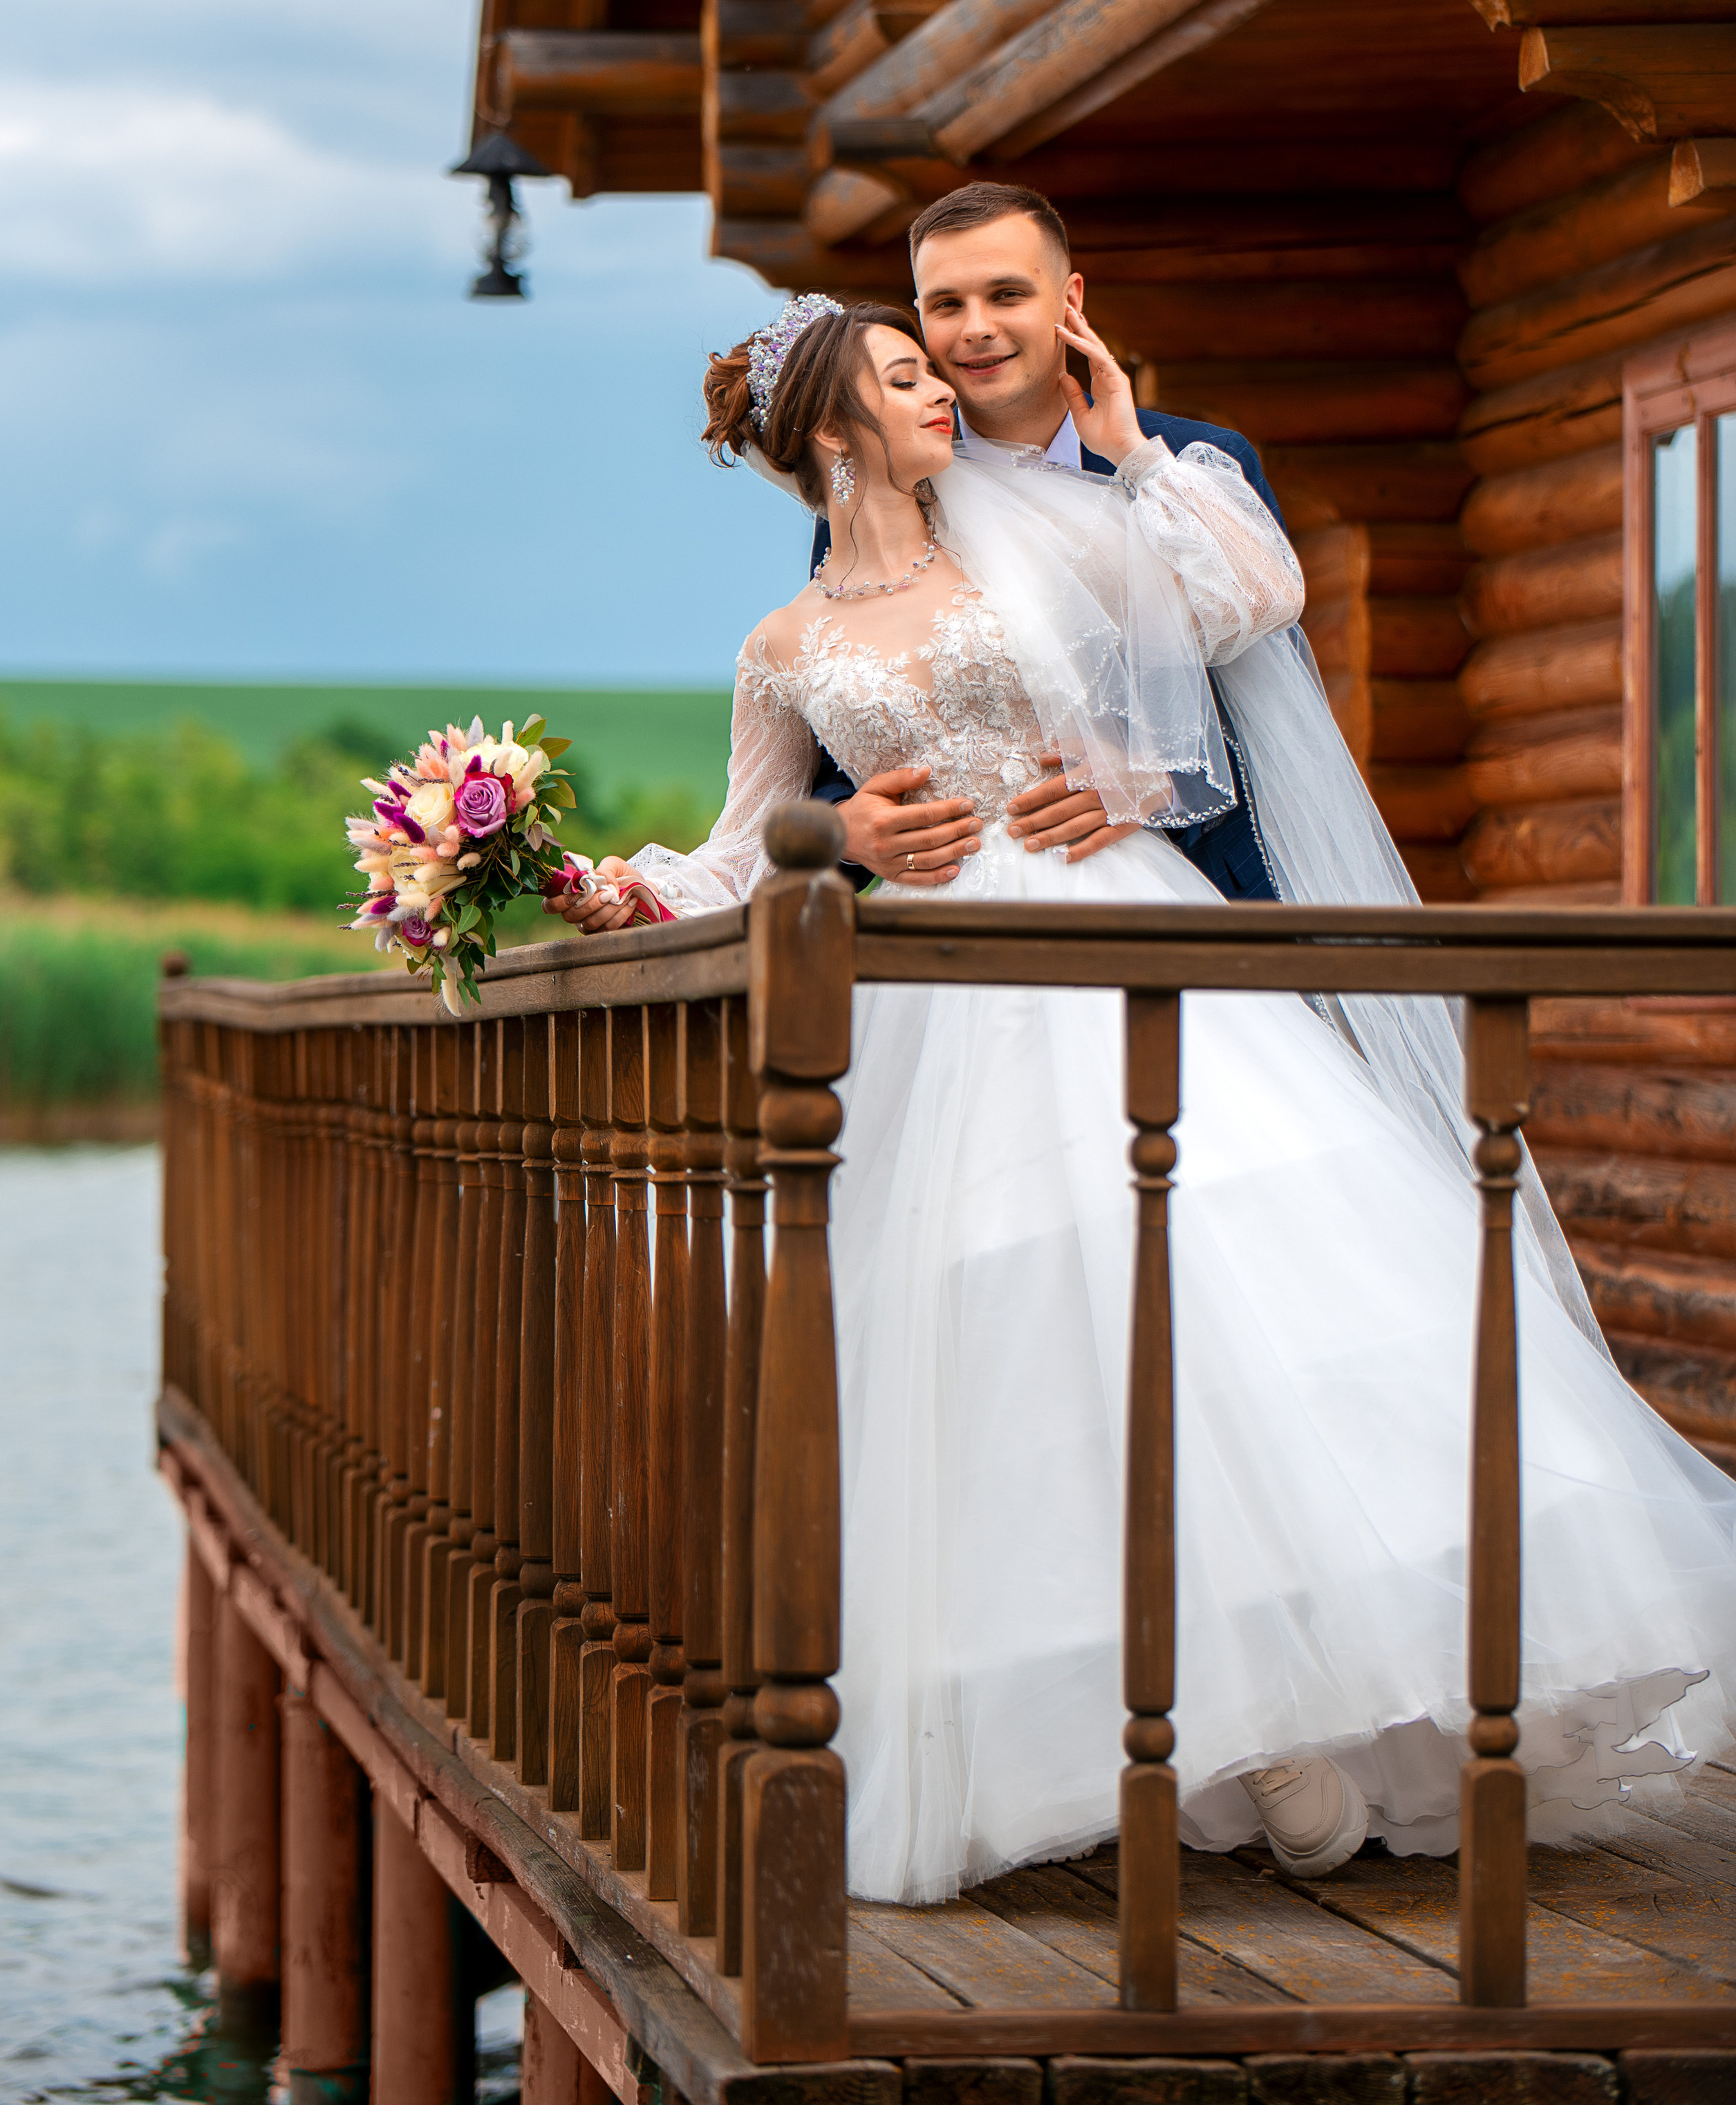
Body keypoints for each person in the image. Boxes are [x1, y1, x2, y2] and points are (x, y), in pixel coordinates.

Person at [550, 297, 1736, 1909]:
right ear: (831, 433)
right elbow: (745, 836)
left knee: (1244, 1288)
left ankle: (1313, 1697)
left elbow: (1245, 602)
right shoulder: (781, 645)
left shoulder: (1025, 527)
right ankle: (1212, 1721)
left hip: (1114, 924)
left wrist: (1124, 447)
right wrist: (643, 884)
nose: (936, 390)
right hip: (938, 997)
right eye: (900, 378)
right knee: (1040, 1341)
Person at [813, 183, 1282, 905]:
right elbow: (841, 744)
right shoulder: (877, 492)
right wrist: (843, 832)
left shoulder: (1193, 461)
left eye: (1006, 295)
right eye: (946, 305)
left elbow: (1276, 704)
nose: (974, 328)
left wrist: (1166, 780)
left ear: (1069, 301)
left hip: (1198, 898)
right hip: (959, 937)